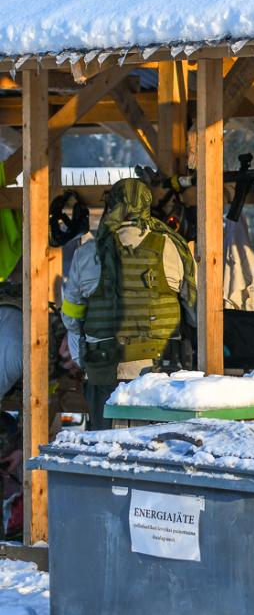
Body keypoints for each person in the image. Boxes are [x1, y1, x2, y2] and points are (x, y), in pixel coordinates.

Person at [61, 179, 197, 431]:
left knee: (105, 446)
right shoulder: (172, 247)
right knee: (161, 446)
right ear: (146, 206)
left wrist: (84, 358)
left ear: (111, 206)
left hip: (104, 370)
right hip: (160, 372)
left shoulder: (87, 253)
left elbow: (71, 317)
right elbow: (195, 313)